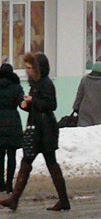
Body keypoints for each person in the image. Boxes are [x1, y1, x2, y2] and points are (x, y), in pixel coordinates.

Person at [0, 53, 70, 211]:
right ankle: (15, 198)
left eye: (30, 68)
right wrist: (26, 105)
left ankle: (63, 200)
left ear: (38, 69)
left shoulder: (46, 83)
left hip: (46, 129)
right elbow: (38, 106)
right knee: (27, 162)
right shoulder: (36, 83)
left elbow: (51, 105)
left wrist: (33, 101)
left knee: (50, 163)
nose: (27, 71)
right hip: (37, 128)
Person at [0, 63, 24, 193]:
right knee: (12, 155)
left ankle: (1, 184)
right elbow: (22, 104)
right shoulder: (16, 87)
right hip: (13, 122)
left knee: (0, 156)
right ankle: (9, 184)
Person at [72, 61, 101, 126]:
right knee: (98, 131)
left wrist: (76, 107)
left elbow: (79, 95)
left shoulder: (85, 79)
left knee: (84, 131)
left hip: (85, 110)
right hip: (100, 112)